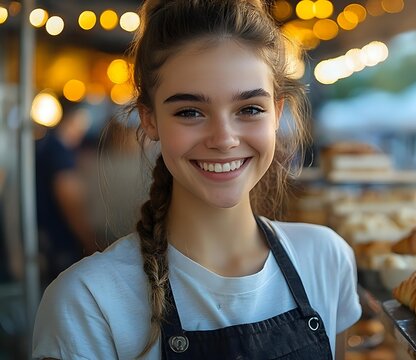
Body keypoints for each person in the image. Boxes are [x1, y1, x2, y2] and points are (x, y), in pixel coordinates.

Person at [32, 0, 362, 359]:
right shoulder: (89, 302)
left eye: (249, 109)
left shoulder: (327, 259)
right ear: (150, 119)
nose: (223, 139)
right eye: (190, 112)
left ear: (276, 112)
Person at [35, 98, 98, 285]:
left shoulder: (47, 144)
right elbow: (69, 199)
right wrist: (90, 242)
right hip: (61, 240)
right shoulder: (58, 151)